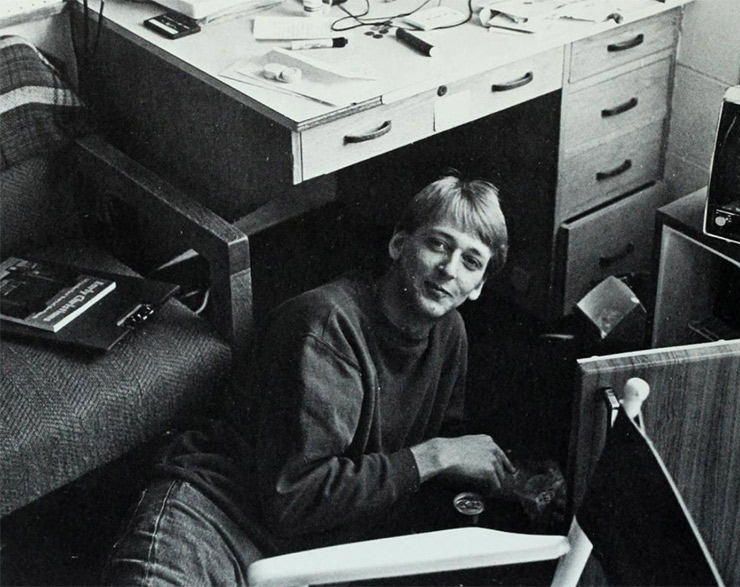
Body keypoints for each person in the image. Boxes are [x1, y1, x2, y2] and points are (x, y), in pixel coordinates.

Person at [103, 173, 515, 586]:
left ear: (477, 287)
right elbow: (294, 496)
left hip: (307, 555)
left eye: (471, 261)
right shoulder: (325, 325)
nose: (448, 269)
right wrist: (436, 456)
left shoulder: (448, 333)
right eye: (438, 244)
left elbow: (437, 452)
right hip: (215, 523)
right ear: (398, 244)